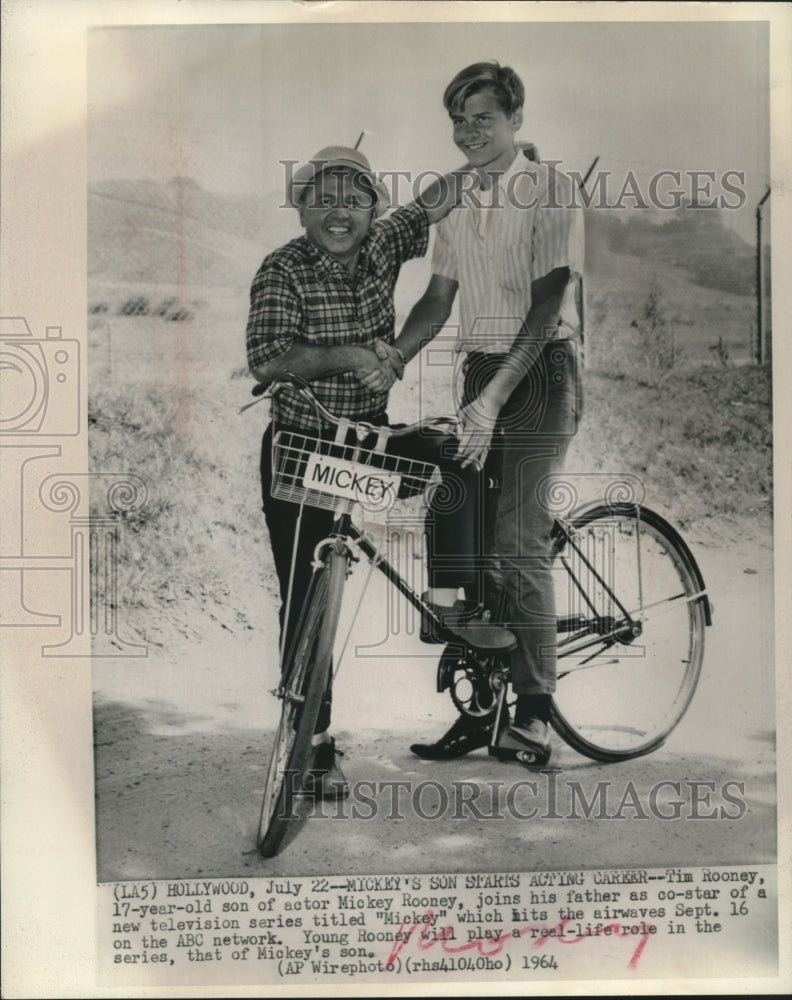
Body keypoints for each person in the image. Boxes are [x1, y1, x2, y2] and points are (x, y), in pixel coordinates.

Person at [246, 145, 510, 799]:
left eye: (355, 199)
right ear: (303, 207)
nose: (340, 213)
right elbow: (268, 359)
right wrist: (356, 355)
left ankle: (448, 606)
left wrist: (491, 165)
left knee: (459, 461)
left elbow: (430, 204)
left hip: (365, 443)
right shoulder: (281, 269)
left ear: (372, 210)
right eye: (324, 199)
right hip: (304, 450)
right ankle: (312, 746)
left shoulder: (384, 246)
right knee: (308, 597)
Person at [394, 61, 585, 767]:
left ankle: (534, 711)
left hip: (538, 371)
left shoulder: (552, 192)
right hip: (480, 369)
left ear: (516, 120)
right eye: (459, 119)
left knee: (515, 543)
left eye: (484, 118)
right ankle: (482, 710)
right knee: (463, 532)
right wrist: (393, 356)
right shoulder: (461, 201)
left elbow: (544, 308)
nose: (468, 131)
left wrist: (494, 398)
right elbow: (438, 301)